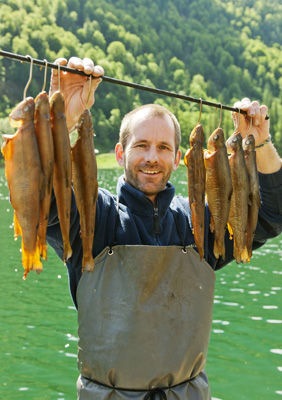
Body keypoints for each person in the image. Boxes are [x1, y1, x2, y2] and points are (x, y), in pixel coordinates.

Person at [47, 57, 282, 400]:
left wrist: (260, 144)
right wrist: (62, 119)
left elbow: (270, 217)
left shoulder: (197, 224)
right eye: (141, 145)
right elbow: (46, 200)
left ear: (178, 158)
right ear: (119, 153)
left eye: (163, 147)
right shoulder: (95, 215)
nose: (152, 158)